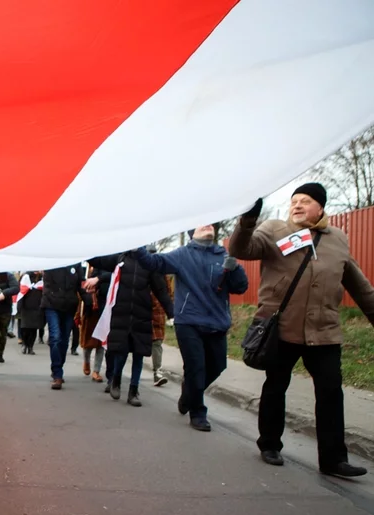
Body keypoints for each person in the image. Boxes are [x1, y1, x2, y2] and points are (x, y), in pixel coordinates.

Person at [229, 186, 374, 477]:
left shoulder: (338, 239)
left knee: (331, 393)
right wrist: (247, 222)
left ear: (320, 208)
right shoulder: (274, 230)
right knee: (276, 386)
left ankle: (334, 460)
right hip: (281, 328)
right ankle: (270, 444)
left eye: (305, 202)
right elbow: (240, 249)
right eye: (294, 201)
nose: (297, 205)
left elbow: (359, 285)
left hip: (324, 331)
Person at [135, 226, 248, 431]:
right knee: (196, 367)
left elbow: (240, 287)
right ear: (191, 233)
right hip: (188, 321)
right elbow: (154, 263)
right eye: (200, 224)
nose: (207, 225)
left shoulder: (223, 255)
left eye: (209, 223)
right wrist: (137, 246)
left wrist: (235, 269)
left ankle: (188, 395)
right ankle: (198, 412)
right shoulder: (182, 255)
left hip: (217, 322)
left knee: (217, 366)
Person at [88, 251, 174, 407]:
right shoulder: (119, 258)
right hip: (121, 313)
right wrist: (82, 252)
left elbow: (160, 290)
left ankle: (133, 391)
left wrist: (172, 313)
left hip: (141, 314)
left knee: (139, 355)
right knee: (121, 352)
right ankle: (116, 380)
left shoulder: (149, 262)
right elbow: (98, 260)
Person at [41, 264, 84, 390]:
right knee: (55, 337)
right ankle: (57, 373)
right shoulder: (52, 261)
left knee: (64, 340)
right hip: (52, 304)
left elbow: (80, 285)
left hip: (69, 306)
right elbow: (47, 285)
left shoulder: (76, 263)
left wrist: (89, 302)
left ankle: (58, 366)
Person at [79, 265, 110, 383]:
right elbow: (90, 283)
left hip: (107, 308)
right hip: (93, 309)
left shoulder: (116, 265)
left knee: (101, 342)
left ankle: (96, 371)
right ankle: (86, 361)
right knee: (89, 341)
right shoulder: (98, 266)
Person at [17, 272, 44, 355]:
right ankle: (25, 344)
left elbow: (44, 293)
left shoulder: (42, 278)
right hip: (26, 308)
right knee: (25, 328)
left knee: (33, 329)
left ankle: (30, 347)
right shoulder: (26, 277)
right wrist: (19, 306)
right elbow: (21, 292)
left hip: (37, 307)